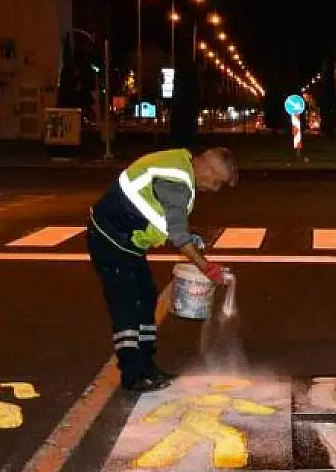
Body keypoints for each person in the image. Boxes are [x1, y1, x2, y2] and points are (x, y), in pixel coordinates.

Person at [86, 147, 238, 392]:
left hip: (127, 240)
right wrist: (206, 267)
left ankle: (147, 366)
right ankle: (132, 374)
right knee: (127, 304)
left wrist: (190, 240)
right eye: (216, 183)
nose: (214, 189)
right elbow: (177, 235)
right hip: (111, 238)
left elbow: (167, 221)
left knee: (146, 298)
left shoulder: (179, 163)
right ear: (208, 170)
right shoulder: (177, 182)